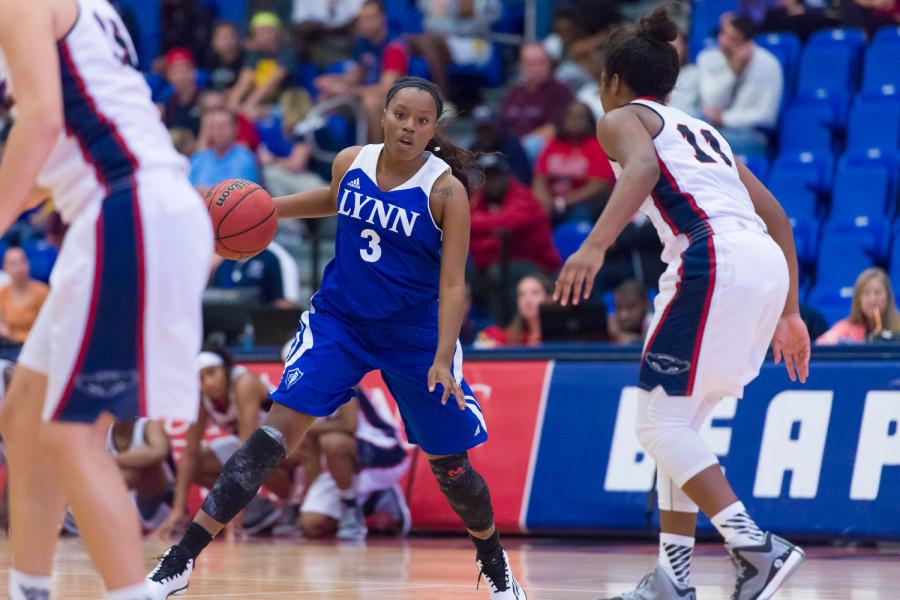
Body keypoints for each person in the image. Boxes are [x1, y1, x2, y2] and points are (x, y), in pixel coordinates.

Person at [148, 76, 526, 599]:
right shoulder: (351, 161)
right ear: (384, 115)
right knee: (272, 435)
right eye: (401, 115)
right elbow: (332, 199)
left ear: (433, 128)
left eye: (421, 120)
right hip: (341, 321)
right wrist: (265, 211)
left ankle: (494, 561)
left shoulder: (445, 191)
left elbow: (455, 283)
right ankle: (179, 562)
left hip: (414, 333)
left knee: (453, 469)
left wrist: (443, 357)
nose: (409, 127)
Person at [554, 7, 810, 600]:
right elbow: (778, 219)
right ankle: (674, 578)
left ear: (613, 81)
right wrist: (791, 310)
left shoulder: (619, 118)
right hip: (760, 261)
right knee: (680, 420)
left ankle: (755, 547)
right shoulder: (706, 131)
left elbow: (641, 169)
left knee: (658, 421)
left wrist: (594, 246)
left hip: (710, 256)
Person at [0, 1, 213, 599]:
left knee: (72, 433)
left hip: (129, 211)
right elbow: (62, 138)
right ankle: (30, 589)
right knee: (24, 414)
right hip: (127, 210)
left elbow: (41, 125)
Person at [153, 348, 293, 539]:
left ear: (225, 370)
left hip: (287, 450)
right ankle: (257, 507)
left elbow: (249, 450)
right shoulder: (202, 398)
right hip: (255, 447)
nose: (208, 383)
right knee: (197, 463)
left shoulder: (244, 383)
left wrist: (236, 510)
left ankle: (289, 505)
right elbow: (190, 453)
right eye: (201, 378)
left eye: (212, 373)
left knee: (253, 455)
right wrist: (177, 510)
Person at [298, 387, 411, 540]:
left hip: (383, 449)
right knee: (310, 526)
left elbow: (350, 425)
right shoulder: (300, 390)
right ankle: (376, 498)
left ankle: (351, 507)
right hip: (344, 464)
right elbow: (310, 446)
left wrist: (307, 428)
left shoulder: (339, 375)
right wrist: (312, 497)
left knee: (333, 442)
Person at [469, 154, 560, 325]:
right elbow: (463, 224)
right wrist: (493, 234)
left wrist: (483, 232)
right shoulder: (478, 201)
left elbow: (508, 223)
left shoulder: (523, 197)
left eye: (497, 175)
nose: (492, 181)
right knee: (460, 276)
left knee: (498, 273)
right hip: (490, 263)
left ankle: (503, 330)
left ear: (506, 176)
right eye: (487, 177)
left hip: (536, 266)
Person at [314, 0, 410, 143]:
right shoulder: (363, 43)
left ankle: (377, 152)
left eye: (369, 18)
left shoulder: (394, 47)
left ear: (381, 19)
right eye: (361, 19)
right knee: (327, 91)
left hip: (394, 100)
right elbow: (358, 74)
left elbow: (386, 89)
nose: (363, 23)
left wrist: (347, 89)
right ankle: (323, 149)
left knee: (371, 102)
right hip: (365, 93)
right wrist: (334, 81)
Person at [697, 13, 783, 156]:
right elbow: (711, 103)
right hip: (714, 129)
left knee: (704, 143)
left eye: (732, 39)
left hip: (751, 134)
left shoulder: (769, 64)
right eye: (722, 34)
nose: (723, 42)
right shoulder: (707, 58)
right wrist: (733, 72)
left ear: (747, 43)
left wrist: (724, 119)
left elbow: (766, 117)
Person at [533, 100, 615, 224]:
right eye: (571, 117)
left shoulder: (596, 146)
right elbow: (540, 179)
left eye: (580, 117)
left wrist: (564, 202)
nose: (575, 121)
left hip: (584, 203)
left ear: (589, 121)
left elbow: (599, 185)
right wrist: (545, 201)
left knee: (579, 215)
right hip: (553, 201)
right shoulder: (553, 145)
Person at [407, 0, 502, 95]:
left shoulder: (488, 3)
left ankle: (441, 95)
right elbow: (427, 21)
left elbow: (474, 27)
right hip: (442, 41)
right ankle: (441, 97)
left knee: (420, 41)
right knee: (413, 42)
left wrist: (444, 25)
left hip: (474, 44)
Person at [499, 43, 574, 161]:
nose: (537, 68)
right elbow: (501, 122)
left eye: (542, 63)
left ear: (550, 64)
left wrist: (520, 145)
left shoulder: (560, 90)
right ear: (522, 66)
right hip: (510, 146)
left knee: (531, 145)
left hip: (537, 149)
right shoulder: (514, 92)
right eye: (531, 64)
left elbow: (554, 128)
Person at [107, 417, 176, 534]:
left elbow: (159, 452)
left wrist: (109, 459)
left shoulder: (150, 426)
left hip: (152, 505)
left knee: (147, 465)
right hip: (115, 505)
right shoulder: (102, 430)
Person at [228, 12, 296, 116]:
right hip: (260, 103)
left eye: (266, 32)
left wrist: (249, 104)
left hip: (285, 104)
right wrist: (233, 102)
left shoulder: (287, 52)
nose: (262, 36)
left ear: (277, 32)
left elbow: (271, 82)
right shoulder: (254, 54)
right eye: (258, 33)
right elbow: (244, 81)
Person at [816, 267, 900, 345]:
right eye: (866, 293)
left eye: (878, 292)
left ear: (888, 296)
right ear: (858, 299)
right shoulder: (844, 328)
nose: (872, 299)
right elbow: (821, 345)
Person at [188, 108, 260, 192]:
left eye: (224, 126)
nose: (219, 130)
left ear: (236, 128)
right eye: (214, 126)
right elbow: (184, 190)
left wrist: (198, 190)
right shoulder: (198, 158)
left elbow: (236, 194)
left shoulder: (245, 157)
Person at [477, 273, 552, 347]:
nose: (527, 299)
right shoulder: (510, 337)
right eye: (522, 294)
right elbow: (484, 339)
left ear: (549, 298)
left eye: (535, 292)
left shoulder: (560, 335)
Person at [468, 105, 532, 185]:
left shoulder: (511, 145)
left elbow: (523, 178)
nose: (485, 134)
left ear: (497, 126)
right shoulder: (472, 150)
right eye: (481, 130)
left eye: (489, 129)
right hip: (482, 193)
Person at [0, 247, 49, 344]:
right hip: (9, 345)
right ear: (5, 268)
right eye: (12, 264)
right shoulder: (3, 292)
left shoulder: (42, 291)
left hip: (34, 345)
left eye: (22, 261)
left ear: (28, 263)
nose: (19, 268)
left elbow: (47, 326)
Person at [160, 48, 203, 135]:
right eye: (175, 72)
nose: (180, 76)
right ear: (168, 76)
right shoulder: (167, 105)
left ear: (194, 72)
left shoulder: (205, 100)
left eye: (184, 70)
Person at [206, 21, 245, 92]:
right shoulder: (207, 59)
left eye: (229, 36)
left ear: (238, 39)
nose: (226, 41)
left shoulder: (247, 60)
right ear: (213, 41)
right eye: (221, 37)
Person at [607, 280, 650, 344]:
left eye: (630, 308)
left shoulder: (652, 321)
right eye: (619, 308)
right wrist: (616, 334)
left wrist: (636, 340)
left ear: (644, 305)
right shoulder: (612, 321)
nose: (624, 315)